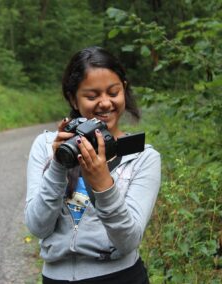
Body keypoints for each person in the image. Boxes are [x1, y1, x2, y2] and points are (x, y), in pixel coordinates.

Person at [25, 46, 161, 284]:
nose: (105, 103)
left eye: (113, 92)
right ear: (72, 98)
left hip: (121, 277)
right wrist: (58, 165)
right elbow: (38, 227)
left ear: (124, 90)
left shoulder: (142, 157)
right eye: (92, 96)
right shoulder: (46, 146)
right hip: (55, 278)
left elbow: (128, 241)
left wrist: (104, 186)